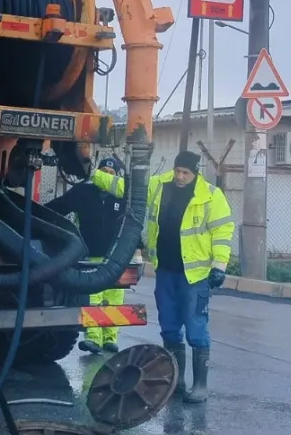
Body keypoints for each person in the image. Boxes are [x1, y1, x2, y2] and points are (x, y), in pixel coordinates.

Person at [92, 150, 234, 403]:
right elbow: (125, 188)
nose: (180, 177)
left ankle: (200, 385)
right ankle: (176, 380)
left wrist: (219, 266)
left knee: (195, 328)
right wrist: (94, 175)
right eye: (178, 171)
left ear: (195, 172)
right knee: (169, 328)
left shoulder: (211, 196)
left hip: (195, 275)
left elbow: (222, 231)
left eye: (186, 173)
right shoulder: (159, 185)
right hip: (166, 270)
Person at [46, 155, 128, 355]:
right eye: (104, 173)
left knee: (113, 300)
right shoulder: (83, 192)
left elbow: (133, 223)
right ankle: (92, 339)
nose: (107, 177)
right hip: (89, 256)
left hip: (115, 258)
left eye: (111, 174)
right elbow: (58, 207)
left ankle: (110, 339)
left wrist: (138, 247)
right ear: (97, 174)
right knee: (93, 299)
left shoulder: (123, 197)